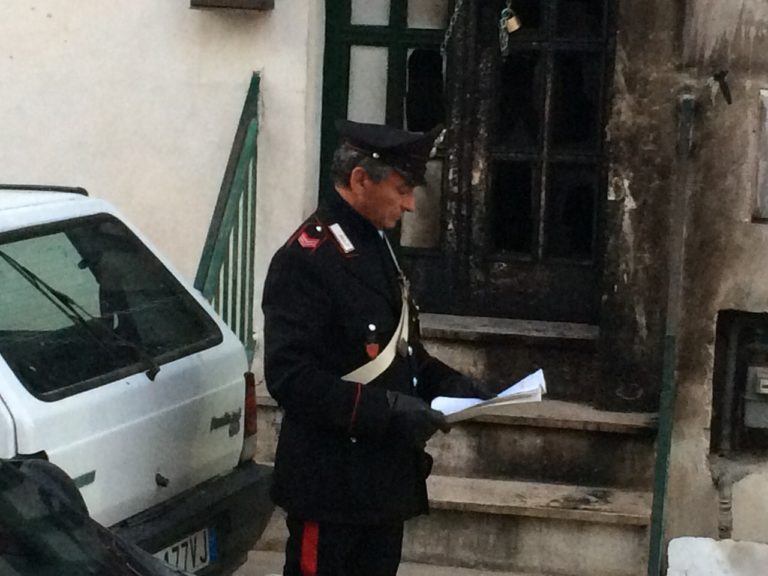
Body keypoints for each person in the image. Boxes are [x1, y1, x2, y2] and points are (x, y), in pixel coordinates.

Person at [262, 120, 495, 576]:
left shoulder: (379, 245)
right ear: (359, 180)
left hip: (382, 483)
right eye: (401, 189)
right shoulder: (306, 259)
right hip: (330, 486)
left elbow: (402, 351)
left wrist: (451, 384)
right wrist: (386, 409)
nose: (410, 204)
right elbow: (290, 377)